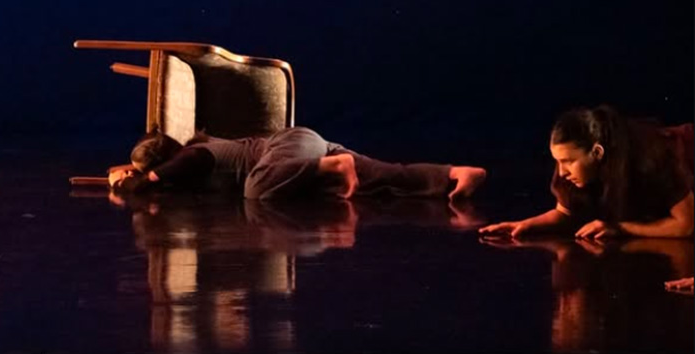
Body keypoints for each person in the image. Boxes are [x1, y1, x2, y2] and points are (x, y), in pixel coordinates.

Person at [479, 106, 694, 241]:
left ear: (597, 152)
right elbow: (565, 213)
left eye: (568, 161)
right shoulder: (571, 173)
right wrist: (526, 225)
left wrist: (620, 228)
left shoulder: (652, 157)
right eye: (557, 161)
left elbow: (686, 225)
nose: (562, 172)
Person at [108, 127, 487, 203]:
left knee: (255, 191)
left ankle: (332, 166)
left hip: (290, 145)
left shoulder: (193, 154)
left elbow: (160, 177)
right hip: (302, 149)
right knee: (382, 176)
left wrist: (134, 181)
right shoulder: (190, 159)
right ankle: (457, 173)